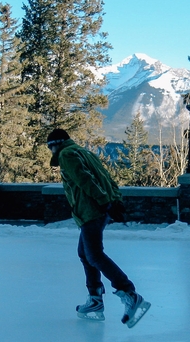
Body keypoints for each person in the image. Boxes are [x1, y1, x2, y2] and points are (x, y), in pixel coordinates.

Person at [46, 129, 151, 328]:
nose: (51, 151)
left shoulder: (67, 154)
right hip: (98, 210)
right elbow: (106, 177)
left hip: (91, 211)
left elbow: (85, 180)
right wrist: (115, 202)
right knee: (85, 253)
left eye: (50, 146)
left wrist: (104, 202)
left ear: (55, 144)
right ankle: (95, 299)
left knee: (94, 255)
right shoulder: (84, 152)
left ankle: (129, 293)